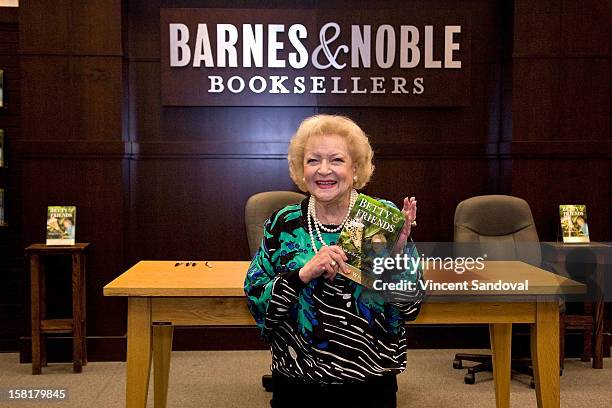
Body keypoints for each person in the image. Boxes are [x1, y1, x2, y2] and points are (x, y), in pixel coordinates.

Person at [244, 115, 424, 408]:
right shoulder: (283, 224)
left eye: (336, 160)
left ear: (355, 168)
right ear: (301, 169)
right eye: (313, 160)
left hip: (370, 380)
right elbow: (255, 296)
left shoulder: (378, 218)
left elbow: (411, 306)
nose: (324, 170)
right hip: (297, 380)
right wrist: (302, 274)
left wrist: (397, 256)